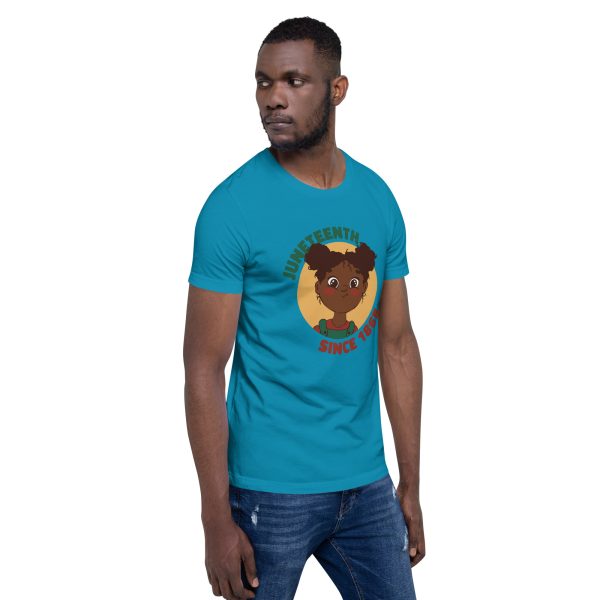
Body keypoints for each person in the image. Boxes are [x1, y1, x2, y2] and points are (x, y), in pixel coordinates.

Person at [183, 16, 425, 600]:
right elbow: (203, 367)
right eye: (263, 82)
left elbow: (396, 346)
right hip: (268, 490)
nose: (273, 98)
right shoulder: (232, 207)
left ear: (337, 90)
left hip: (366, 483)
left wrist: (410, 484)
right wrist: (215, 518)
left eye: (294, 81)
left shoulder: (377, 198)